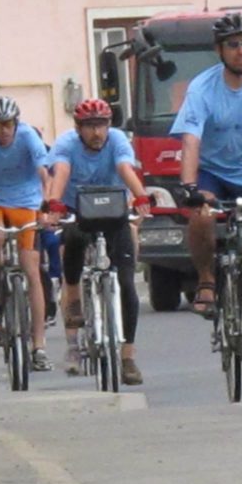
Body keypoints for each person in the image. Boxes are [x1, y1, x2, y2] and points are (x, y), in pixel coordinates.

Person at [171, 12, 242, 383]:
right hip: (213, 172)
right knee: (201, 215)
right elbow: (191, 139)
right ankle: (206, 278)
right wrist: (189, 188)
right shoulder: (202, 88)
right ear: (219, 50)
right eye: (233, 45)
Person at [44, 99, 151, 384]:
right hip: (77, 210)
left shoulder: (117, 140)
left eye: (101, 125)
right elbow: (61, 172)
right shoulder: (67, 144)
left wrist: (140, 196)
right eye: (90, 126)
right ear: (78, 128)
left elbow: (126, 168)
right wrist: (54, 202)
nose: (97, 133)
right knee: (73, 241)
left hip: (114, 209)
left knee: (127, 282)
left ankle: (128, 356)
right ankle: (75, 303)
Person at [0, 96, 53, 370]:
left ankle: (39, 345)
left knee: (31, 269)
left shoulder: (27, 136)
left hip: (26, 200)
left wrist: (47, 207)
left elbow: (44, 174)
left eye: (9, 124)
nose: (4, 131)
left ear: (17, 122)